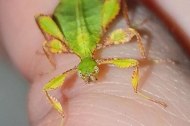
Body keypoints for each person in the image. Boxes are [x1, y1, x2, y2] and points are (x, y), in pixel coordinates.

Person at [0, 0, 190, 125]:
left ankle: (139, 89)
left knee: (132, 31)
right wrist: (52, 67)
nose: (90, 76)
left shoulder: (71, 45)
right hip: (68, 13)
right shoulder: (66, 46)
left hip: (85, 8)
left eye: (87, 73)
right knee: (44, 37)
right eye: (87, 73)